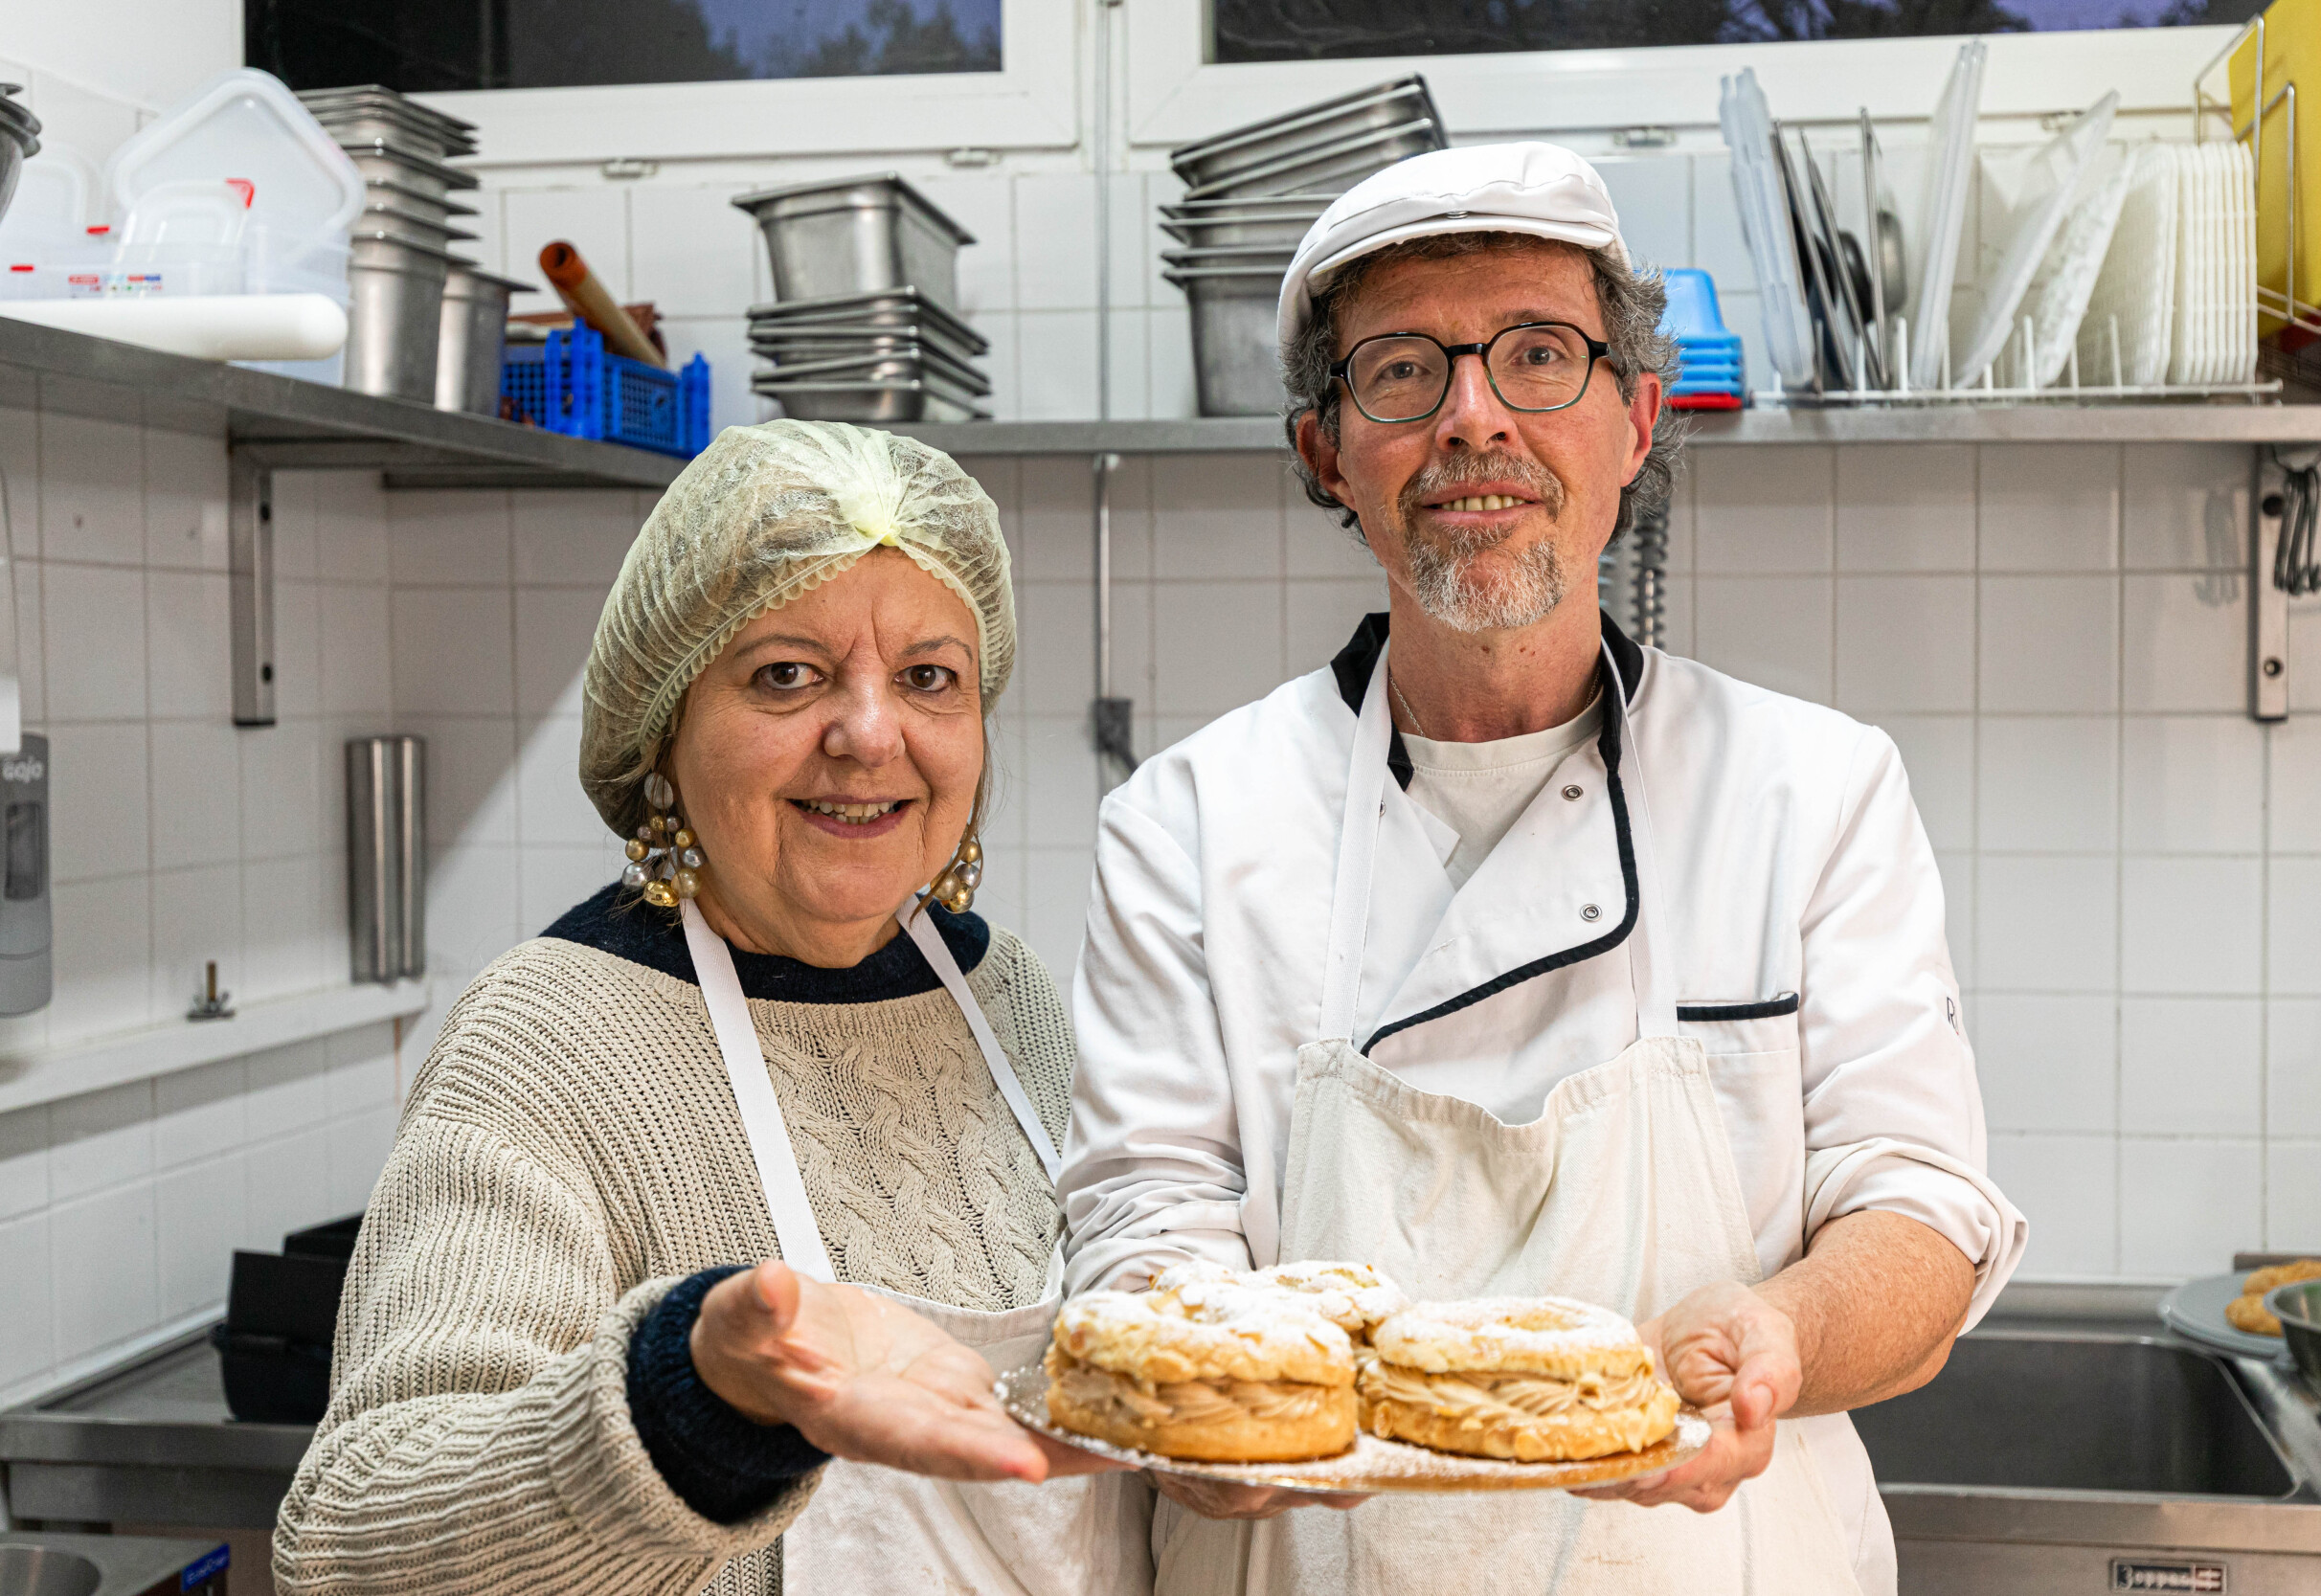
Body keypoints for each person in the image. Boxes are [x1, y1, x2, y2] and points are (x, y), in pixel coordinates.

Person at [1058, 143, 2027, 1594]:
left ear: (1636, 420)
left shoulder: (1812, 789)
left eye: (1536, 356)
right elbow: (1146, 1219)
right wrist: (1207, 1400)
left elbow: (1922, 1210)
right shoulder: (1186, 824)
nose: (1472, 419)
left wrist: (1784, 1332)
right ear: (1326, 451)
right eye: (1401, 371)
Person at [275, 421, 1147, 1596]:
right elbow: (355, 1541)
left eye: (929, 676)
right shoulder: (547, 1041)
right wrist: (693, 1404)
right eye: (787, 671)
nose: (870, 732)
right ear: (665, 727)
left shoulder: (1010, 997)